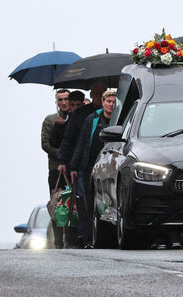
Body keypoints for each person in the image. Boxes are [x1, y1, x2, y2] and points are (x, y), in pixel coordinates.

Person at [57, 81, 107, 247]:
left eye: (102, 94)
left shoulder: (113, 112)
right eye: (96, 94)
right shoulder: (82, 114)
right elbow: (70, 138)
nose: (99, 98)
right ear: (91, 95)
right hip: (84, 164)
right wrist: (64, 161)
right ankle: (84, 235)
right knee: (84, 201)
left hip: (107, 164)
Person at [69, 89, 116, 248]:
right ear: (103, 102)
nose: (111, 105)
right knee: (89, 203)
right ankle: (89, 239)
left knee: (109, 202)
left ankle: (110, 238)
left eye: (114, 102)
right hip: (91, 166)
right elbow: (82, 142)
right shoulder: (93, 119)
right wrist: (74, 166)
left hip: (111, 166)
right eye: (108, 101)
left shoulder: (121, 117)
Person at [41, 89, 70, 249]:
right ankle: (59, 242)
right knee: (57, 204)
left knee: (73, 204)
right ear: (56, 102)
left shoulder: (76, 117)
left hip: (73, 169)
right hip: (55, 170)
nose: (64, 103)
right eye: (61, 100)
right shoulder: (50, 120)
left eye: (66, 99)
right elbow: (45, 144)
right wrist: (63, 155)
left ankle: (72, 239)